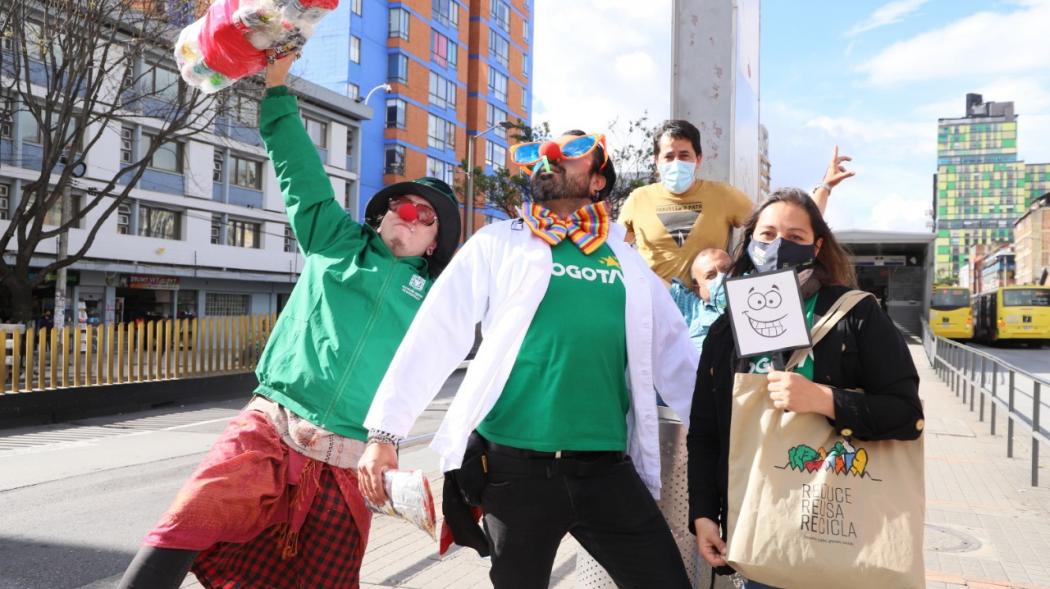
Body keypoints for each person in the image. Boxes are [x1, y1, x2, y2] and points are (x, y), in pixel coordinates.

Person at [117, 54, 461, 589]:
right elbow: (298, 166)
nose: (407, 215)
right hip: (272, 425)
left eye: (425, 215)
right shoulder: (335, 238)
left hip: (350, 462)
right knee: (185, 521)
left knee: (322, 581)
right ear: (383, 213)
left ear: (435, 241)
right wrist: (277, 88)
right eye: (401, 205)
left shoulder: (439, 297)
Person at [357, 130, 699, 589]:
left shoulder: (626, 259)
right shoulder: (499, 243)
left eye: (575, 151)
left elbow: (677, 355)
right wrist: (385, 432)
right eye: (542, 152)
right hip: (515, 474)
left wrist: (733, 438)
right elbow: (435, 333)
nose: (551, 156)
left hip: (606, 470)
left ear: (599, 181)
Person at [686, 188, 925, 589]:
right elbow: (706, 432)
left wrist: (824, 400)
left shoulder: (856, 314)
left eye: (795, 237)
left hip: (844, 542)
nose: (777, 244)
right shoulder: (725, 331)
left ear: (816, 247)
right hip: (759, 535)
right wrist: (704, 514)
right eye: (766, 234)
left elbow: (907, 416)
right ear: (749, 242)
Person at [618, 119, 854, 285]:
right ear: (656, 161)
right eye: (669, 156)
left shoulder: (723, 195)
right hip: (655, 306)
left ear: (698, 159)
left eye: (684, 155)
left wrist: (825, 187)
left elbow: (786, 220)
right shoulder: (638, 200)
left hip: (707, 310)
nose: (676, 162)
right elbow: (616, 252)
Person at [669, 247, 733, 354]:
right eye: (710, 275)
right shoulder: (690, 307)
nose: (722, 278)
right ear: (697, 288)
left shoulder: (758, 293)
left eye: (727, 269)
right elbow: (650, 281)